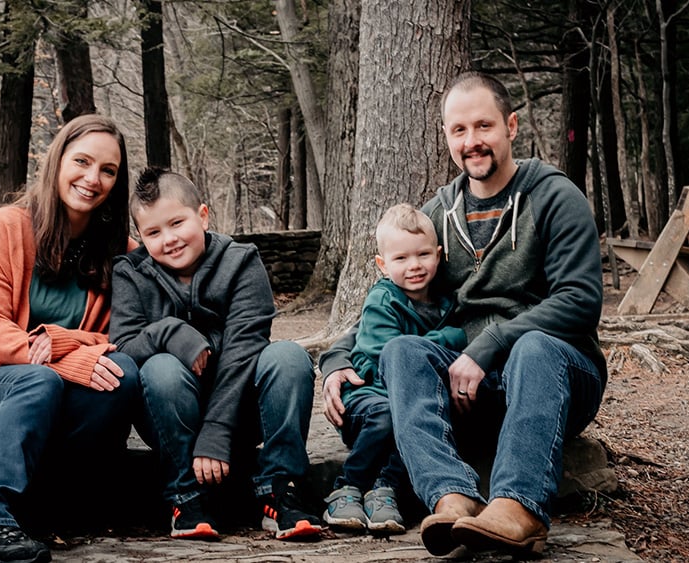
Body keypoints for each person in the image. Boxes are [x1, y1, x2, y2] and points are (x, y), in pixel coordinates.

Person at [320, 72, 607, 557]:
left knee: (533, 347)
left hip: (552, 374)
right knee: (403, 349)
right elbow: (392, 290)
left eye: (483, 126)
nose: (471, 142)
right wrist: (338, 356)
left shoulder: (555, 197)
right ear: (447, 136)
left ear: (511, 126)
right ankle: (453, 498)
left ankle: (519, 508)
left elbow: (580, 299)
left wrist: (490, 345)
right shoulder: (440, 211)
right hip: (468, 387)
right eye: (459, 130)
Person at [0, 114, 142, 563]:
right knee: (38, 381)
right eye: (82, 161)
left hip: (61, 407)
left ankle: (46, 502)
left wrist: (64, 343)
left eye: (108, 170)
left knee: (122, 373)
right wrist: (61, 362)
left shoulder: (121, 253)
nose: (93, 178)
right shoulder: (4, 228)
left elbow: (123, 336)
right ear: (57, 161)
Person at [110, 167, 323, 542]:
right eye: (154, 233)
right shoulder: (131, 272)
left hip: (241, 410)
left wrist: (216, 431)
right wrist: (172, 332)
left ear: (203, 215)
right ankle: (187, 496)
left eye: (177, 222)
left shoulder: (240, 261)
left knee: (288, 357)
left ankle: (280, 488)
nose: (170, 239)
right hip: (172, 411)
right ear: (139, 237)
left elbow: (245, 347)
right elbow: (124, 345)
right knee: (159, 366)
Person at [320, 203, 466, 535]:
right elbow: (386, 354)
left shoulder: (446, 302)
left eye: (423, 255)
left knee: (419, 420)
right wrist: (447, 338)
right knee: (392, 415)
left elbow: (463, 336)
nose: (414, 266)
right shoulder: (383, 300)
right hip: (367, 396)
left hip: (407, 400)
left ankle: (385, 490)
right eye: (401, 259)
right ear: (383, 265)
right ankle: (348, 486)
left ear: (439, 255)